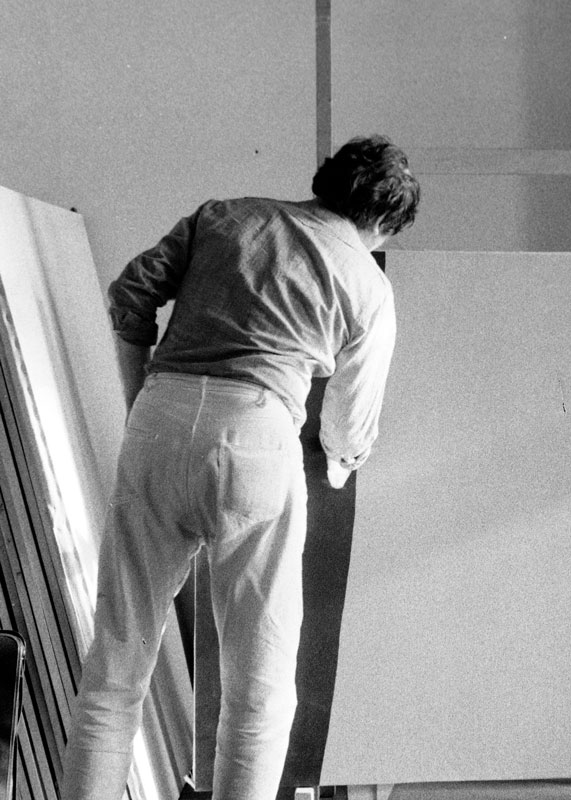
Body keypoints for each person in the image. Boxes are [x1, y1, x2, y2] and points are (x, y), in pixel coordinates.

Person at [60, 135, 420, 800]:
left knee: (116, 666)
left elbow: (130, 293)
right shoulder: (368, 283)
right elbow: (349, 424)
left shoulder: (223, 216)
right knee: (259, 691)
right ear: (383, 223)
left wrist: (141, 400)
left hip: (158, 421)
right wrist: (339, 464)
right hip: (258, 434)